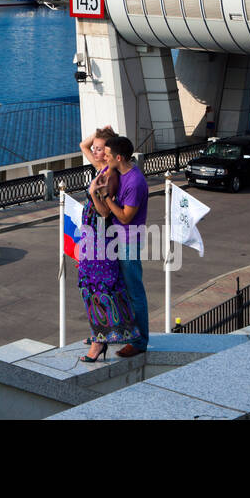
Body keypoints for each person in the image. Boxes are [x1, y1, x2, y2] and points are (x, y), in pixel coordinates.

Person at [77, 156, 141, 363]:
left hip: (102, 241)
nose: (95, 152)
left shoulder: (111, 175)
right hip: (91, 239)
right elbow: (83, 146)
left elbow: (105, 213)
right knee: (88, 286)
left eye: (100, 148)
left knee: (101, 288)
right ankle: (98, 334)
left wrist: (92, 193)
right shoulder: (104, 170)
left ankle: (100, 340)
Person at [93, 135, 150, 357]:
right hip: (118, 237)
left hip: (129, 239)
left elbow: (126, 217)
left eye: (107, 155)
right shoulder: (122, 173)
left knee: (135, 291)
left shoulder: (135, 182)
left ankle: (140, 342)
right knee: (124, 289)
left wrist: (106, 197)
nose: (104, 158)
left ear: (118, 157)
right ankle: (130, 335)